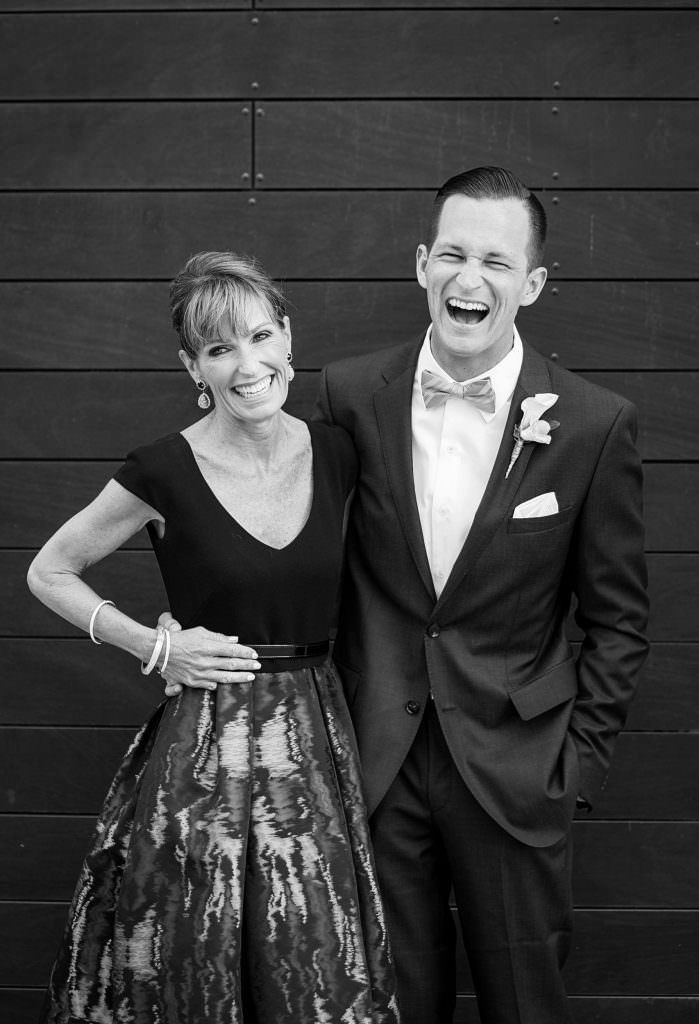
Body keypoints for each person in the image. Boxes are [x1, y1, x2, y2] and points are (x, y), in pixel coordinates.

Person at [310, 166, 650, 1023]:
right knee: (391, 1004)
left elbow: (617, 619)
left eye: (496, 262)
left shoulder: (593, 423)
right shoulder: (346, 397)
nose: (469, 279)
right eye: (452, 254)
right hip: (377, 764)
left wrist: (574, 768)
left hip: (515, 766)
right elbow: (306, 561)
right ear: (420, 263)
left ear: (530, 284)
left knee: (523, 1005)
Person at [27, 251, 399, 1024]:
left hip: (315, 746)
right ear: (192, 365)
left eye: (259, 336)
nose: (246, 364)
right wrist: (155, 646)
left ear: (287, 339)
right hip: (203, 755)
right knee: (195, 964)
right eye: (219, 348)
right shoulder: (161, 469)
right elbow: (50, 571)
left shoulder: (339, 452)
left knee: (316, 973)